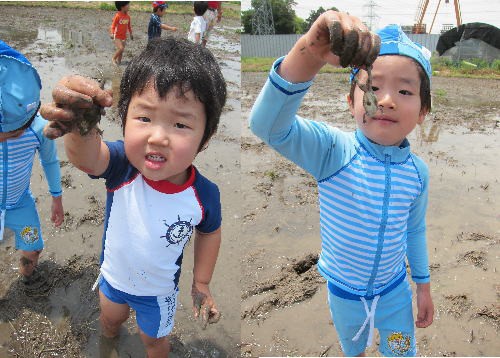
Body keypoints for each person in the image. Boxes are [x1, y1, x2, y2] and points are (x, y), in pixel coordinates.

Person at [249, 11, 434, 357]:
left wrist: (422, 285)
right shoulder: (333, 151)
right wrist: (309, 52)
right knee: (355, 351)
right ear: (351, 102)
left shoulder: (417, 173)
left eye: (405, 90)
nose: (386, 99)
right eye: (372, 87)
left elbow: (415, 230)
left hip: (395, 293)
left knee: (401, 351)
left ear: (423, 111)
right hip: (345, 294)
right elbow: (267, 126)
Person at [40, 38, 227, 357]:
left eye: (180, 124)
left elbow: (209, 232)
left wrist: (202, 282)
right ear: (123, 120)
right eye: (144, 118)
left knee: (154, 342)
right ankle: (107, 343)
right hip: (114, 277)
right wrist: (81, 127)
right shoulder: (122, 167)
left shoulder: (204, 194)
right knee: (110, 321)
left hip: (159, 292)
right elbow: (87, 158)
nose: (158, 137)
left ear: (205, 139)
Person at [0, 40, 64, 288]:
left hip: (19, 205)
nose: (7, 137)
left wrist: (56, 197)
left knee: (33, 247)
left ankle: (27, 279)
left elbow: (49, 161)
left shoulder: (38, 128)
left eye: (13, 131)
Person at [109, 1, 133, 65]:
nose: (129, 6)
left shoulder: (128, 17)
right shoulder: (118, 16)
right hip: (117, 36)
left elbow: (129, 26)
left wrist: (131, 33)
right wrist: (112, 33)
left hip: (124, 36)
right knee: (121, 48)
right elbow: (113, 26)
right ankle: (113, 59)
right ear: (122, 7)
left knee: (121, 51)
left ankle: (119, 62)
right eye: (127, 5)